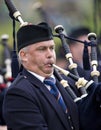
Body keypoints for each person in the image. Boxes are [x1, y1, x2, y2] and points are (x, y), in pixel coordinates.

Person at [2, 22, 79, 130]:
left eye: (52, 48)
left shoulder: (67, 83)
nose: (50, 54)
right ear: (24, 56)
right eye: (42, 49)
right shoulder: (18, 93)